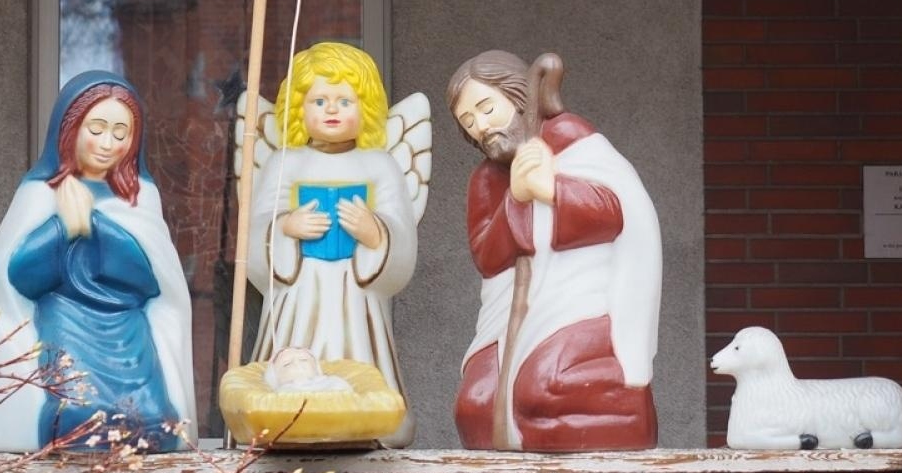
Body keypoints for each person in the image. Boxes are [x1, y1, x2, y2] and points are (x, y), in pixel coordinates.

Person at [447, 50, 660, 451]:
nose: (482, 126)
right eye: (468, 121)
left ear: (518, 95)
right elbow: (488, 257)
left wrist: (551, 190)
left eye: (487, 107)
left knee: (544, 389)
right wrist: (517, 199)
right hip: (512, 311)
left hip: (580, 301)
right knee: (476, 405)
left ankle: (625, 416)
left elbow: (617, 211)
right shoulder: (485, 179)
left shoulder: (571, 138)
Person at [0, 71, 195, 452]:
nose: (108, 143)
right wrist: (63, 228)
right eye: (97, 128)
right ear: (70, 128)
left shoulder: (141, 198)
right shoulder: (38, 194)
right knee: (79, 416)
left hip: (128, 330)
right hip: (67, 324)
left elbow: (154, 281)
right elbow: (12, 278)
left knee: (152, 419)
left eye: (121, 133)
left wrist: (94, 225)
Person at [247, 42, 419, 447]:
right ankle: (285, 417)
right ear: (298, 109)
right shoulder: (285, 163)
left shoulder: (380, 165)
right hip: (299, 291)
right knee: (292, 352)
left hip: (355, 295)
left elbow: (401, 230)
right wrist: (286, 226)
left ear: (367, 108)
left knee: (358, 353)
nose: (332, 109)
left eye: (345, 100)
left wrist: (375, 232)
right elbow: (257, 228)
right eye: (319, 99)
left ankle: (367, 417)